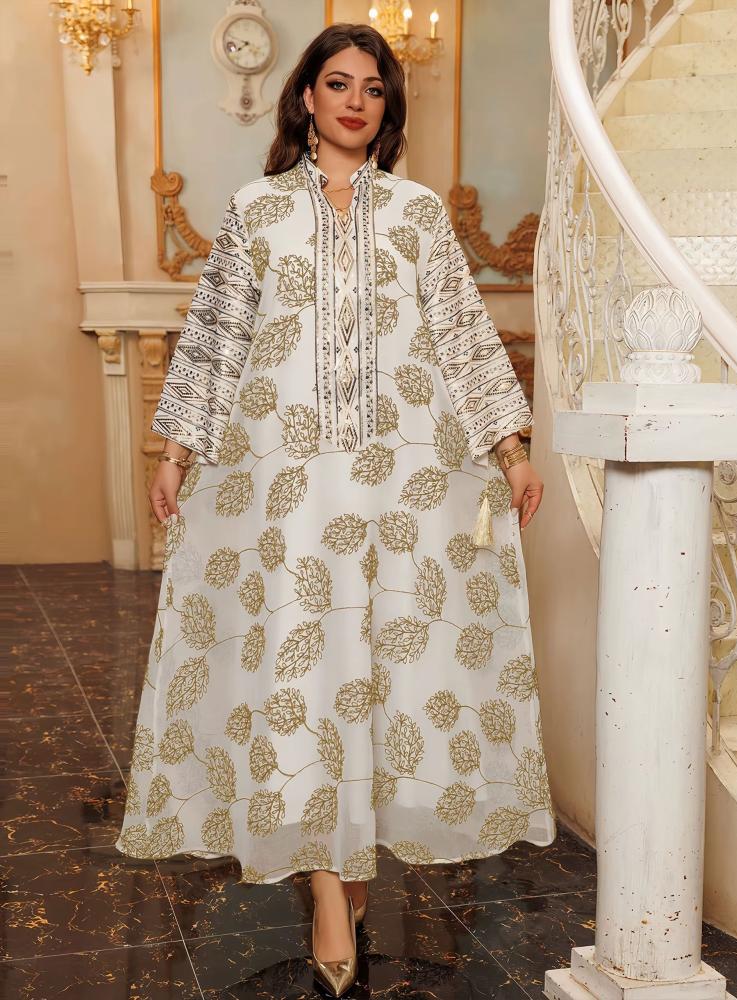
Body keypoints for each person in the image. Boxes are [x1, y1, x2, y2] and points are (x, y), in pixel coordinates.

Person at [115, 22, 555, 998]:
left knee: (383, 675)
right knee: (305, 673)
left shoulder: (416, 214)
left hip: (404, 488)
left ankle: (345, 878)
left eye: (373, 87)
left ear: (387, 105)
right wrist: (176, 454)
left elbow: (464, 338)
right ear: (306, 98)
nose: (357, 101)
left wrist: (513, 451)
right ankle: (327, 890)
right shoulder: (257, 211)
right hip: (288, 493)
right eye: (339, 83)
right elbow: (217, 341)